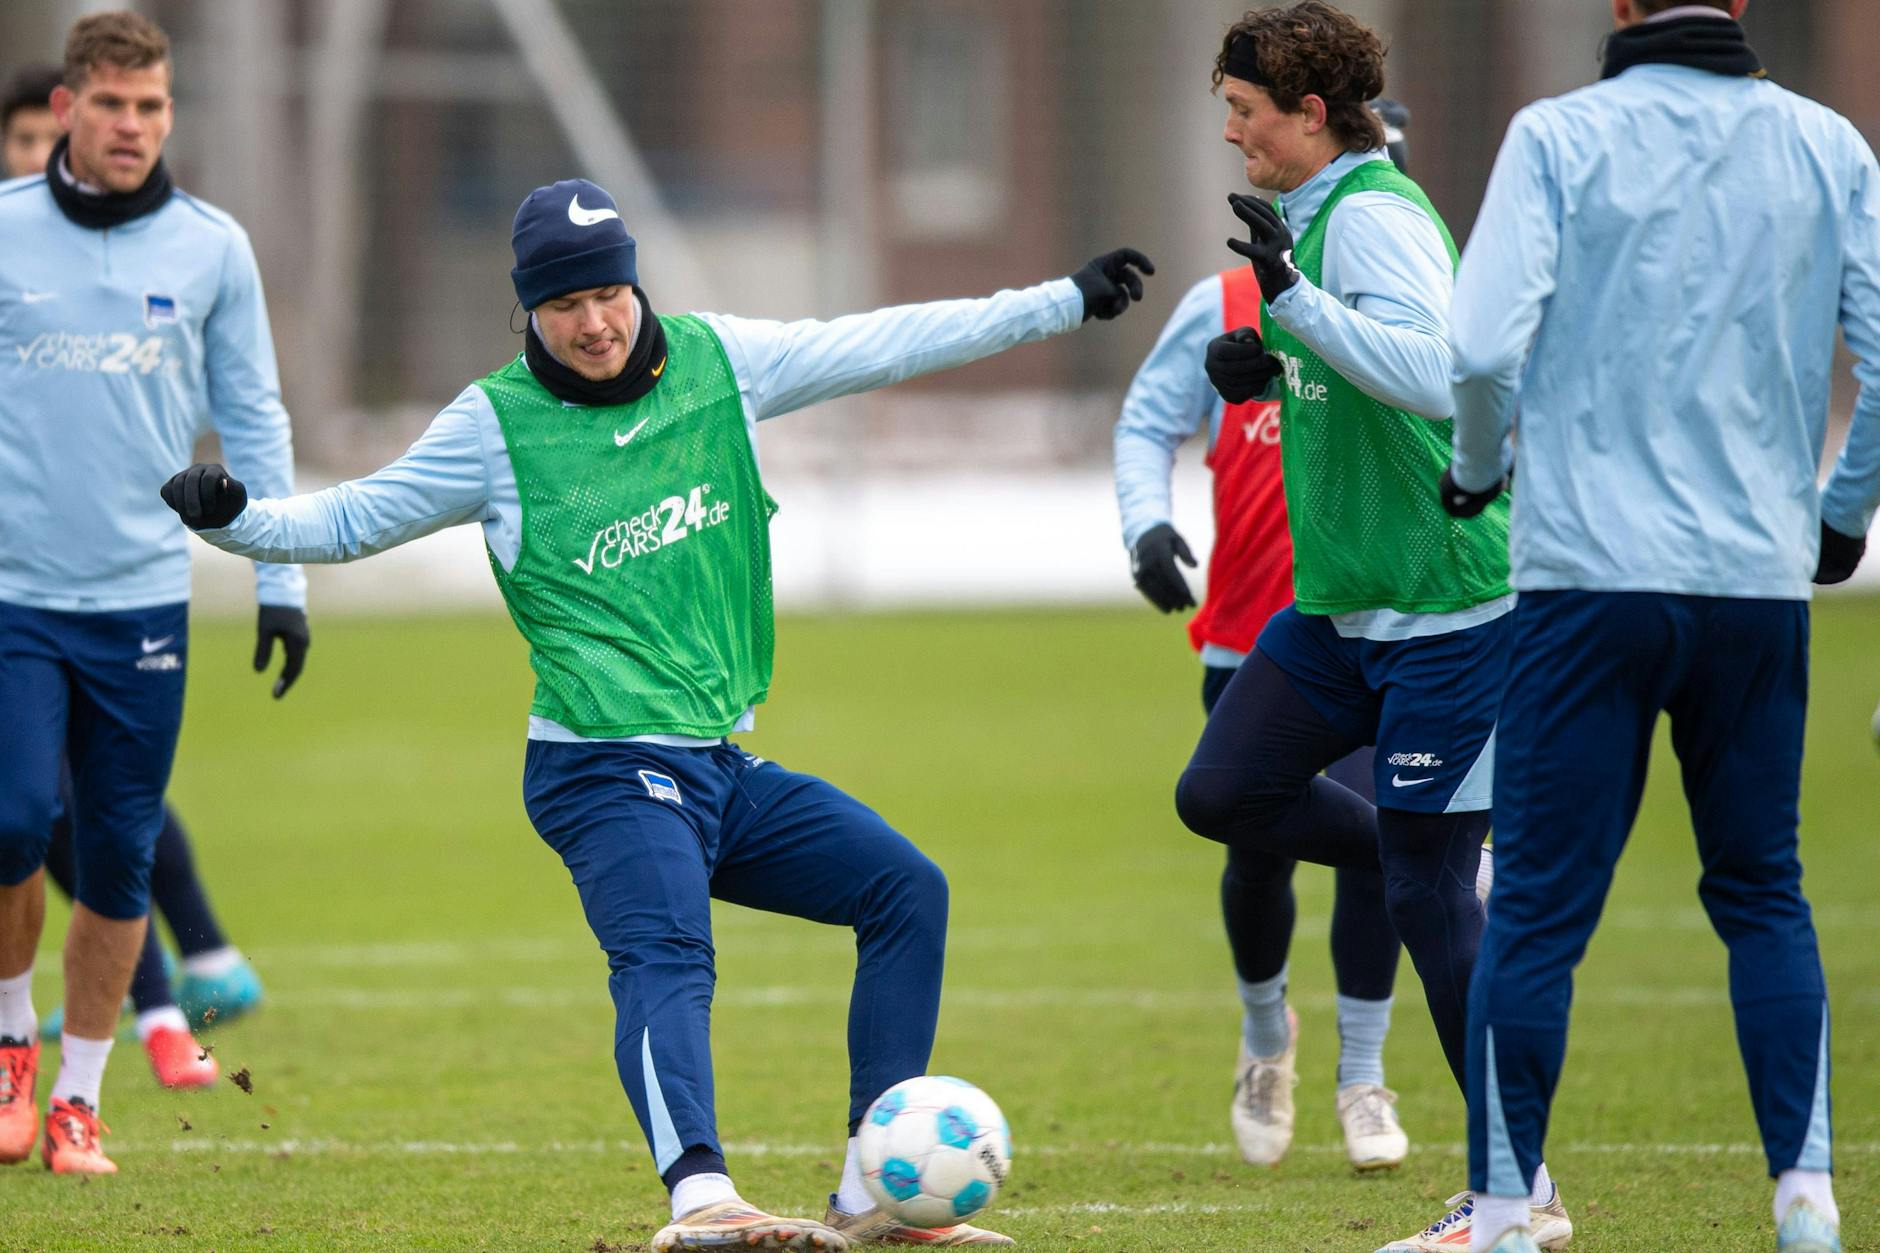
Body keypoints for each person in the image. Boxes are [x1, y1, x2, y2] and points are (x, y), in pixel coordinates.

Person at [163, 174, 1153, 1250]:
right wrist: (239, 519)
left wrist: (1060, 300)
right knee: (668, 954)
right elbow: (353, 517)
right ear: (526, 311)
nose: (593, 322)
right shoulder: (493, 427)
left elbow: (884, 340)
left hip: (716, 766)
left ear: (634, 284)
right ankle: (700, 1199)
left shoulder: (719, 362)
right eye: (562, 304)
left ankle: (875, 1198)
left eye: (608, 294)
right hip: (597, 765)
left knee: (904, 888)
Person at [1445, 1, 1878, 1249]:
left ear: (1618, 5)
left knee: (1531, 906)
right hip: (1751, 580)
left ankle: (1502, 1213)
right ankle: (1803, 1197)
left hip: (1584, 576)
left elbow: (1477, 350)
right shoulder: (1826, 143)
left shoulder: (1553, 136)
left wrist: (1477, 467)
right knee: (1761, 891)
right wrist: (1837, 515)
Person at [1167, 7, 1567, 1249]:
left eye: (1243, 110)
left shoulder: (1376, 214)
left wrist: (1293, 309)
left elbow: (1444, 370)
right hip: (1340, 612)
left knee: (1427, 895)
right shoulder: (1323, 215)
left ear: (1306, 112)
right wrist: (1266, 359)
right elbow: (1346, 364)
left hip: (1449, 610)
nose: (1230, 133)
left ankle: (1518, 1197)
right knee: (1221, 790)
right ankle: (1429, 856)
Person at [0, 11, 308, 1175]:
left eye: (152, 107)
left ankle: (78, 1099)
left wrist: (281, 580)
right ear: (69, 109)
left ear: (169, 112)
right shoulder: (7, 232)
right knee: (15, 819)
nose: (132, 127)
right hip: (14, 599)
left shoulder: (212, 247)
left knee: (122, 858)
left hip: (141, 606)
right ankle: (11, 1045)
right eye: (112, 106)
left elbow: (256, 417)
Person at [1117, 98, 1418, 1172]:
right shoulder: (1229, 299)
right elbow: (1146, 417)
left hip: (1378, 623)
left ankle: (1363, 1073)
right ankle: (1262, 1037)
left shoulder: (1412, 307)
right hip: (1251, 634)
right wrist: (1144, 523)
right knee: (1253, 844)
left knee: (1381, 837)